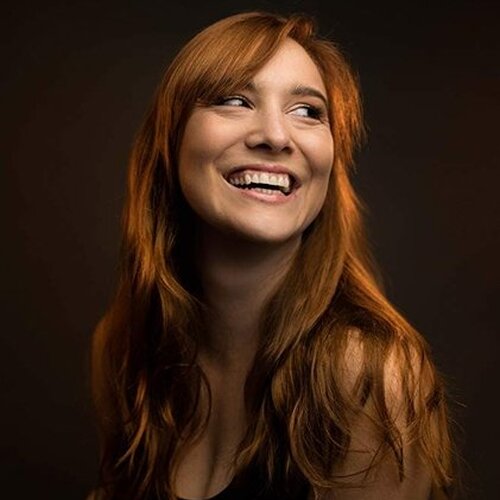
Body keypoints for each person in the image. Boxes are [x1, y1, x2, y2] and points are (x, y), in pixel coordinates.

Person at [90, 11, 455, 500]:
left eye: (307, 111)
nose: (277, 137)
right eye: (235, 100)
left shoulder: (366, 375)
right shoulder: (124, 349)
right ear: (171, 140)